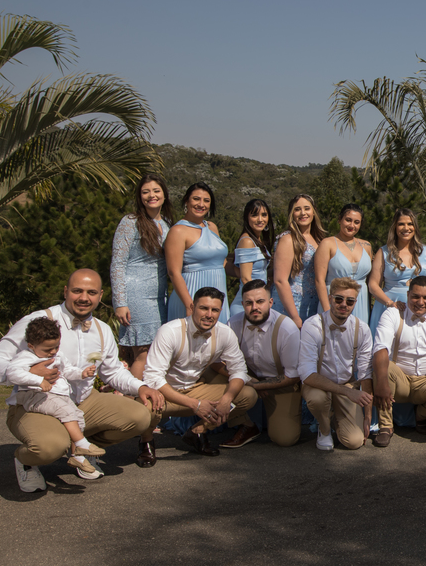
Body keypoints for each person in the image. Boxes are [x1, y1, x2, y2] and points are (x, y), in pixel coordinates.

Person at [0, 269, 163, 489]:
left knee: (140, 416)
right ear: (66, 291)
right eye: (77, 291)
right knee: (49, 447)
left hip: (83, 401)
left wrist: (140, 387)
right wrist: (28, 372)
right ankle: (25, 460)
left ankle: (80, 450)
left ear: (100, 296)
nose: (84, 298)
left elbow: (113, 371)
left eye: (91, 292)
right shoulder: (39, 321)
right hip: (38, 403)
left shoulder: (102, 330)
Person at [141, 287, 259, 457]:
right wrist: (194, 404)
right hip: (165, 393)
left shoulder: (225, 333)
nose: (209, 315)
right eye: (204, 308)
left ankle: (198, 431)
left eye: (215, 310)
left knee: (247, 395)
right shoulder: (170, 331)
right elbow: (153, 378)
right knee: (145, 408)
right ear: (192, 307)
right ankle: (146, 441)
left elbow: (239, 370)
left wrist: (227, 399)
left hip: (195, 388)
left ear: (220, 311)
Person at [5, 317, 104, 476]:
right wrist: (38, 380)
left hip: (58, 395)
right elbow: (12, 373)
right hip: (34, 394)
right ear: (31, 346)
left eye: (56, 347)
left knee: (78, 417)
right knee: (66, 411)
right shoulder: (26, 357)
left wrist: (82, 373)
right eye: (47, 349)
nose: (52, 352)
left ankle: (77, 457)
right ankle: (82, 444)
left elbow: (66, 370)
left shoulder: (58, 355)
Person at [371, 276, 426, 446]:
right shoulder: (392, 314)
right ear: (407, 295)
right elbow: (381, 347)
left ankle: (421, 415)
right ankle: (385, 426)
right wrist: (381, 383)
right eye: (415, 296)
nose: (420, 302)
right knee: (382, 368)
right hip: (400, 379)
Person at [299, 278, 375, 451]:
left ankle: (335, 417)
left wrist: (367, 416)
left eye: (350, 301)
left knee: (354, 442)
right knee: (318, 399)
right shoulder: (312, 325)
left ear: (355, 303)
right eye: (339, 299)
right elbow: (307, 375)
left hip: (345, 384)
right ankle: (324, 428)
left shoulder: (361, 329)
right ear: (330, 298)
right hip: (318, 385)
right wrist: (347, 392)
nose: (344, 305)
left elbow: (365, 373)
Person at [111, 173, 173, 378]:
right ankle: (137, 395)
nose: (151, 195)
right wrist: (120, 302)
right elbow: (118, 263)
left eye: (156, 191)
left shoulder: (167, 224)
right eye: (146, 192)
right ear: (139, 196)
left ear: (164, 194)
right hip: (137, 294)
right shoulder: (130, 222)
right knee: (143, 354)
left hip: (160, 296)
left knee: (158, 353)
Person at [227, 280, 303, 448]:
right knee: (212, 375)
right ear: (242, 304)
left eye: (260, 301)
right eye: (249, 303)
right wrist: (249, 381)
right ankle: (246, 424)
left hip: (280, 383)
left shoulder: (287, 328)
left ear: (270, 302)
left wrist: (258, 386)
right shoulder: (233, 324)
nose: (254, 307)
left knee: (285, 438)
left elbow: (293, 375)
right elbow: (222, 363)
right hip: (245, 379)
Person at [165, 182, 229, 322]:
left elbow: (221, 262)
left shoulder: (212, 227)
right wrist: (190, 305)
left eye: (206, 200)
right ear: (186, 201)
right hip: (190, 295)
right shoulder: (178, 231)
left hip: (219, 294)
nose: (201, 204)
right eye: (196, 199)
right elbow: (174, 272)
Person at [270, 193, 327, 327]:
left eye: (307, 208)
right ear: (292, 214)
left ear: (314, 212)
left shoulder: (318, 239)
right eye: (297, 209)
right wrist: (295, 317)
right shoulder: (288, 239)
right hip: (291, 307)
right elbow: (280, 280)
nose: (303, 213)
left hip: (313, 305)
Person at [314, 203, 374, 323]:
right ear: (339, 220)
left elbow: (370, 281)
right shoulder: (327, 244)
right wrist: (327, 311)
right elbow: (319, 280)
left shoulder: (366, 246)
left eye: (356, 222)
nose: (352, 225)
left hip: (361, 302)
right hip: (335, 302)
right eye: (348, 220)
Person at [227, 199, 275, 319]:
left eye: (264, 215)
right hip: (249, 304)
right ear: (247, 218)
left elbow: (243, 271)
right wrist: (259, 301)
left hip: (257, 301)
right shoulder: (247, 242)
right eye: (254, 215)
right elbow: (245, 278)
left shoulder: (257, 240)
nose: (260, 219)